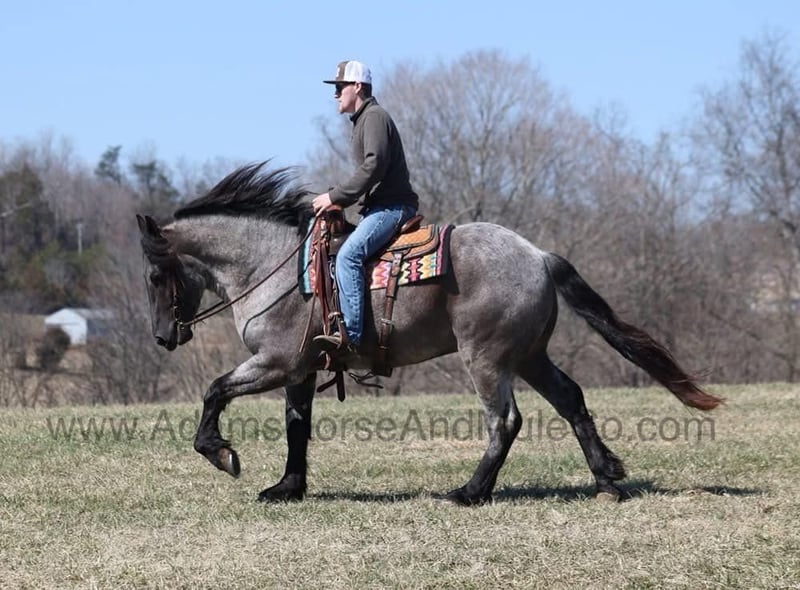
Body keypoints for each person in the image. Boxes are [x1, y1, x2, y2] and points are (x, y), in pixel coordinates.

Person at [312, 60, 419, 352]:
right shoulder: (364, 119)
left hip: (392, 208)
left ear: (357, 86)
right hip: (380, 207)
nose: (335, 94)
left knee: (348, 257)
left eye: (340, 87)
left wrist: (335, 197)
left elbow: (374, 165)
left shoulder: (374, 117)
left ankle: (352, 335)